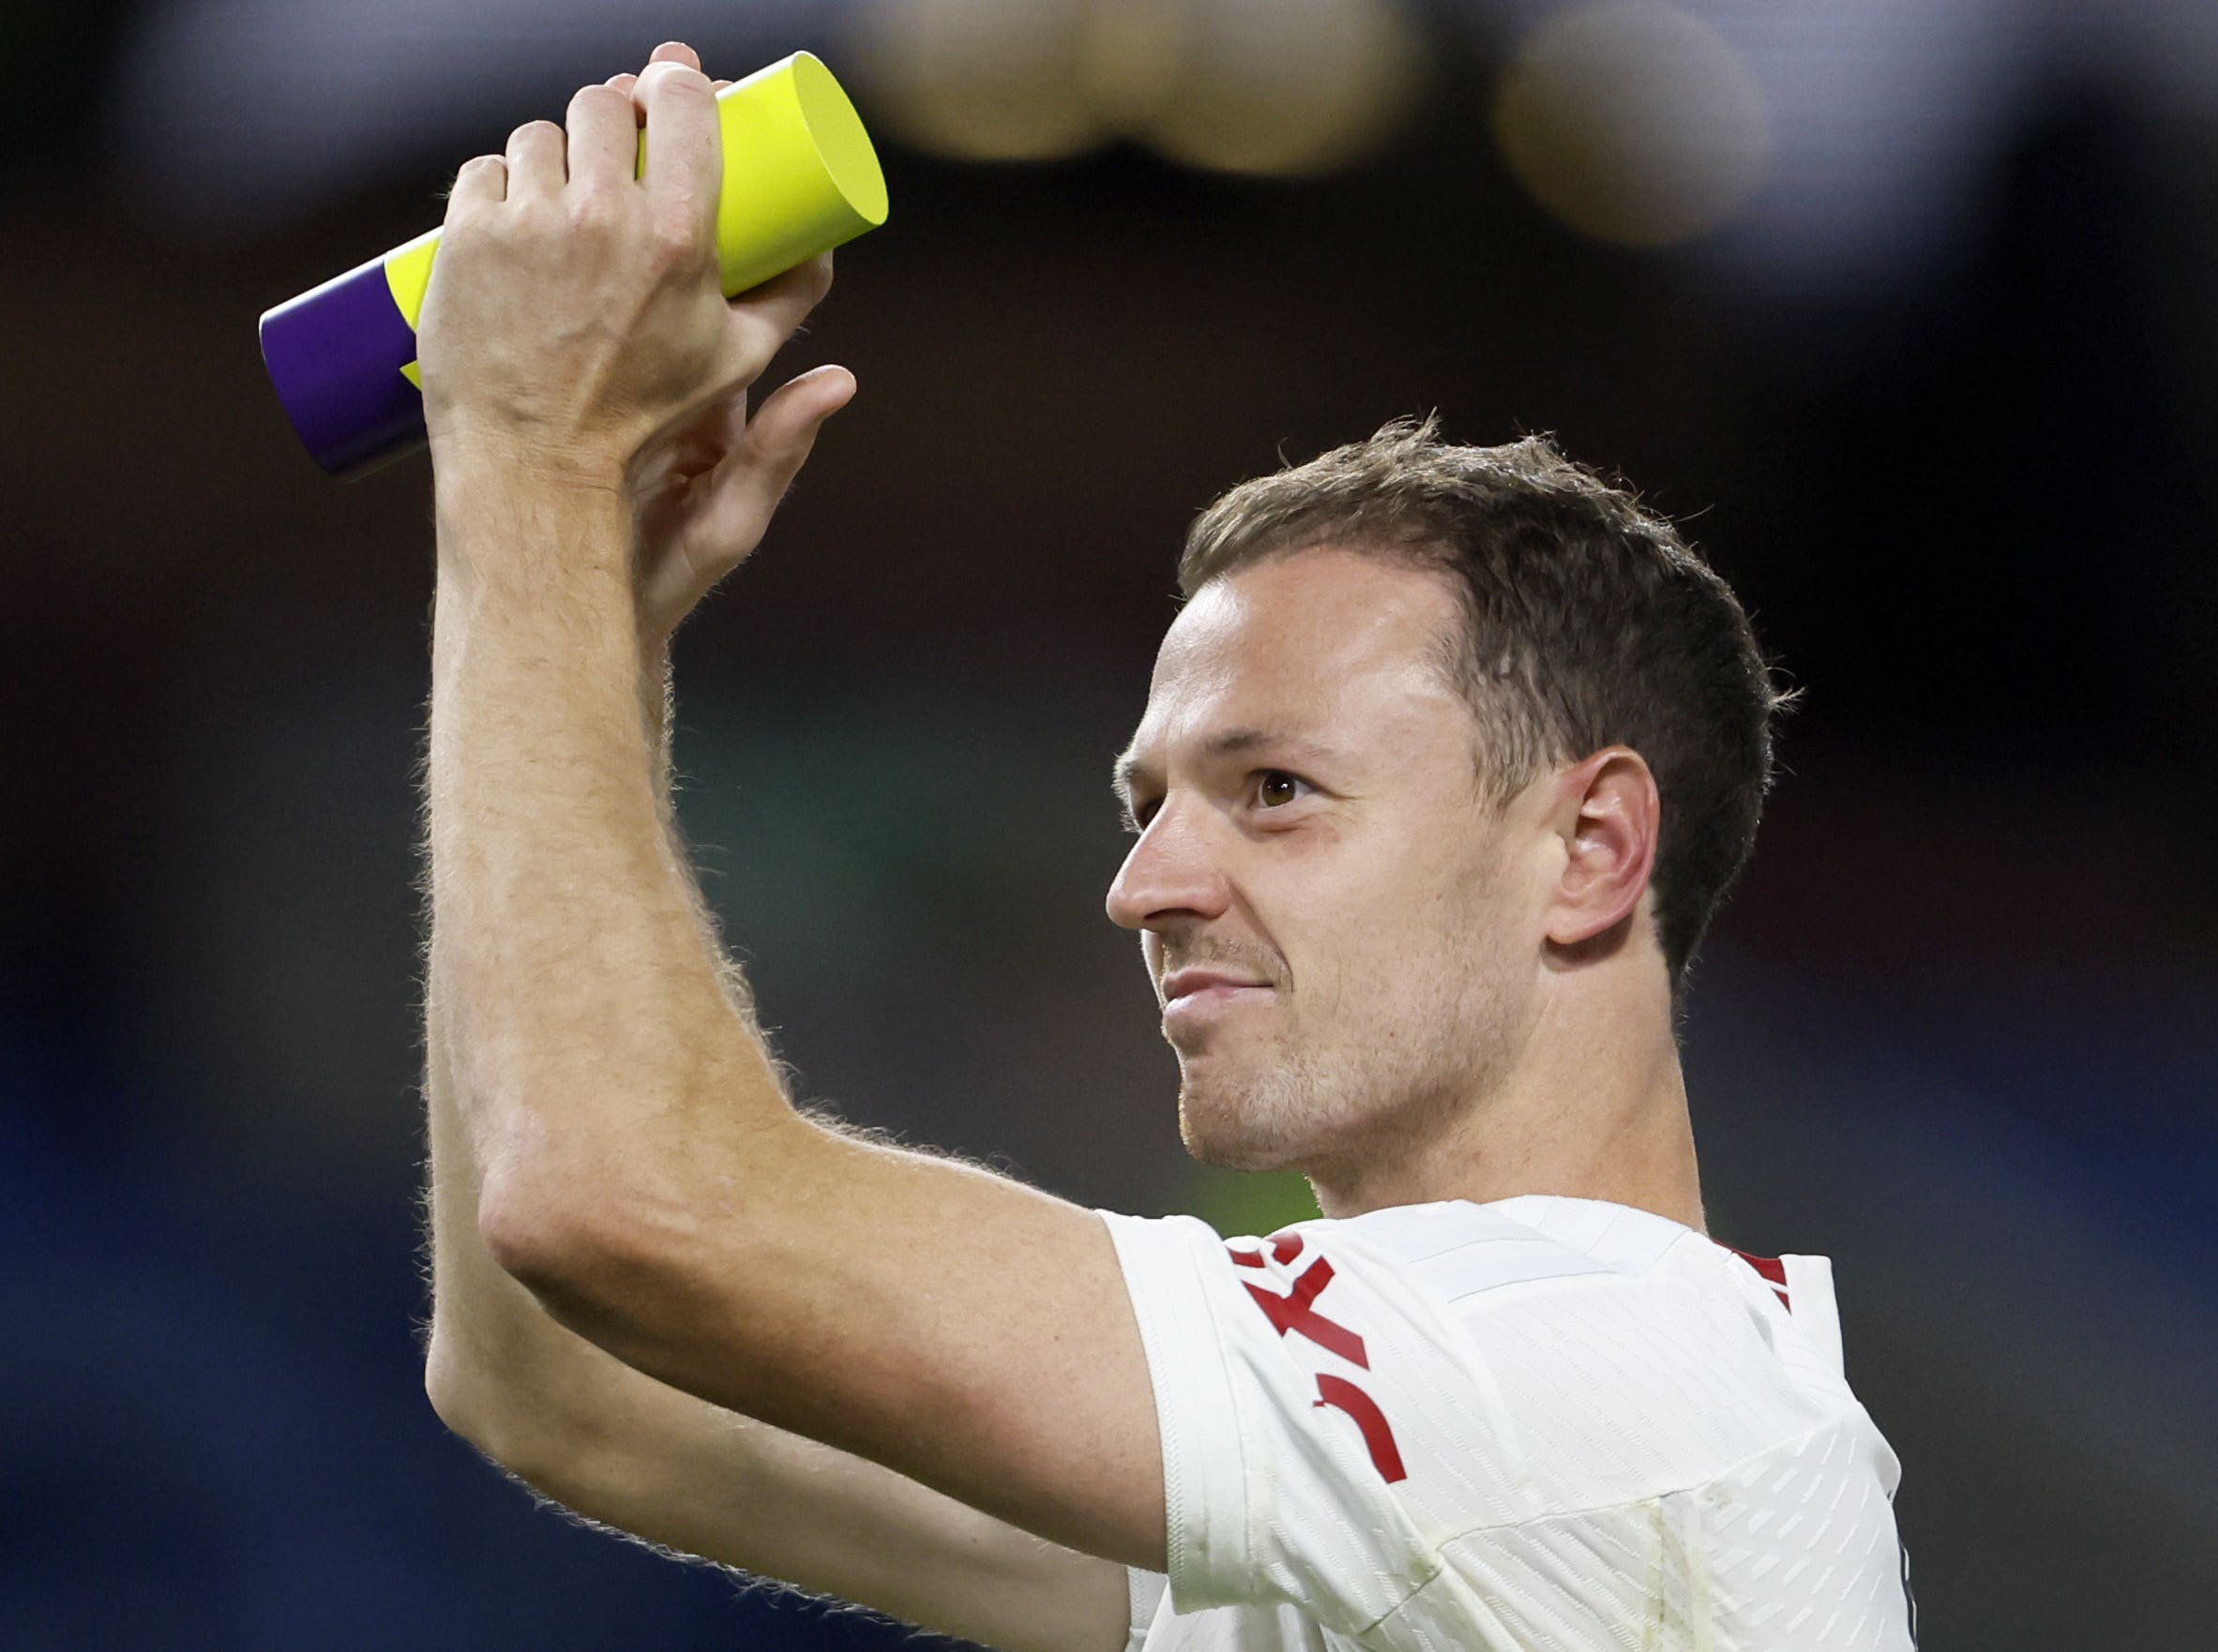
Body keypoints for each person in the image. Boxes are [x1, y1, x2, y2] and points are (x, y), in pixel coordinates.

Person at [416, 40, 1915, 1652]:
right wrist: (574, 611)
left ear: (1593, 847)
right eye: (1151, 807)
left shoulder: (1599, 1372)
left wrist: (539, 465)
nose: (1145, 887)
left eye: (1275, 789)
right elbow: (561, 1388)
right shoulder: (1415, 1474)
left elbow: (621, 1203)